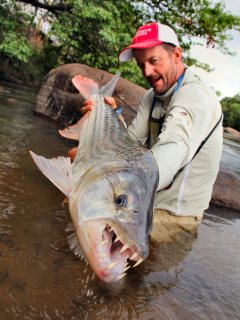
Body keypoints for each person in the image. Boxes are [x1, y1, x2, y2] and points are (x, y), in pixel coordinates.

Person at [80, 22, 223, 242]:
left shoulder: (196, 96)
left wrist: (119, 187)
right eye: (141, 65)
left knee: (100, 232)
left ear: (176, 55)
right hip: (147, 200)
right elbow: (131, 143)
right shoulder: (151, 95)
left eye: (154, 61)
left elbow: (175, 145)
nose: (147, 72)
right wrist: (113, 117)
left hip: (176, 215)